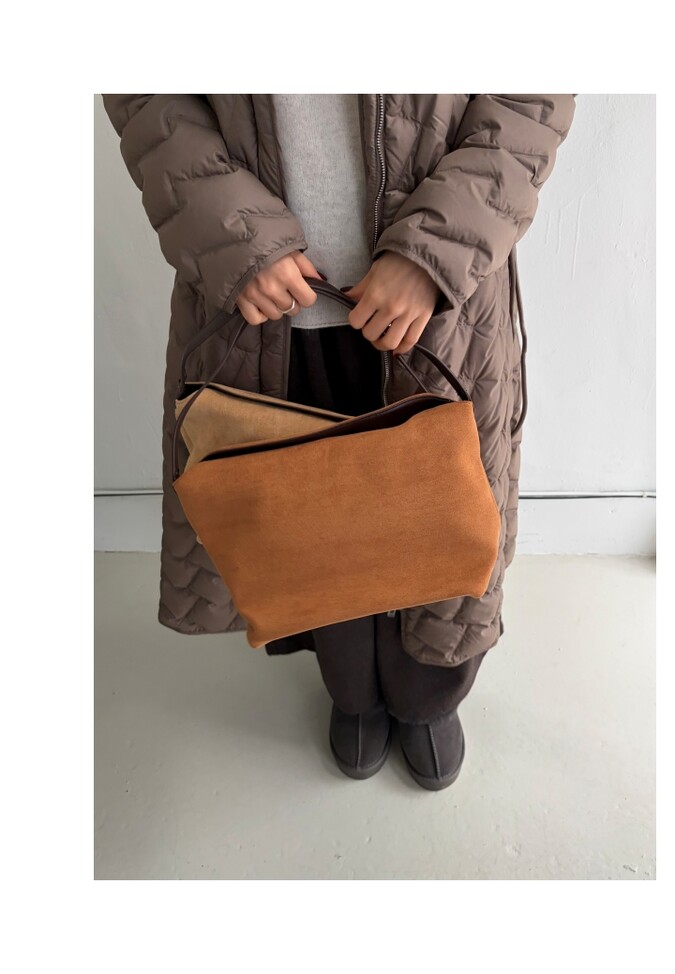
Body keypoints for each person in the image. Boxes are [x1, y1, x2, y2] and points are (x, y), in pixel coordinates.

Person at [102, 93, 576, 791]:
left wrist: (435, 252)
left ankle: (427, 699)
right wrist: (236, 236)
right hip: (266, 305)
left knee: (442, 525)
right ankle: (351, 691)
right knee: (315, 535)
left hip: (439, 301)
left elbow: (532, 92)